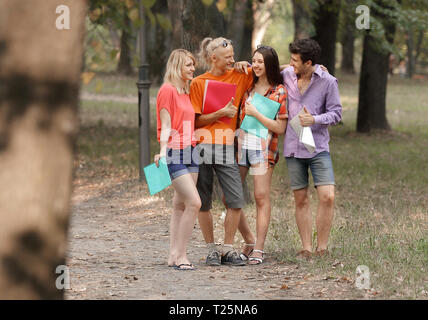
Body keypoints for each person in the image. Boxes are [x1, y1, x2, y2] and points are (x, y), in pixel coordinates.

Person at [190, 37, 255, 266]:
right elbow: (195, 121)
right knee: (203, 201)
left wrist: (313, 66)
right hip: (202, 145)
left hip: (227, 145)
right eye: (227, 57)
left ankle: (227, 249)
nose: (232, 60)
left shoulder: (240, 75)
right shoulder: (198, 82)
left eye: (233, 56)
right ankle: (211, 250)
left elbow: (270, 71)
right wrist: (220, 113)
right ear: (212, 58)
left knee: (236, 199)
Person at [281, 38, 342, 259]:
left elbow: (336, 114)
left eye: (295, 60)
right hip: (293, 148)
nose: (291, 63)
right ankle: (306, 248)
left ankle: (322, 248)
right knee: (301, 198)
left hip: (318, 149)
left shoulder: (328, 82)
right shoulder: (287, 74)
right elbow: (267, 70)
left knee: (327, 196)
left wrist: (314, 119)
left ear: (308, 63)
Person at [235, 45, 288, 265]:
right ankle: (249, 240)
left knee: (260, 197)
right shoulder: (247, 85)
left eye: (260, 62)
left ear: (269, 65)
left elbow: (280, 128)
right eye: (253, 61)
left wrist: (256, 113)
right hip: (241, 147)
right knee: (230, 197)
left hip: (264, 149)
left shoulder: (279, 91)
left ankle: (259, 248)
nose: (255, 65)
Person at [154, 49, 201, 270]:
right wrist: (163, 151)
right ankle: (182, 256)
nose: (193, 69)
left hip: (191, 151)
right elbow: (165, 124)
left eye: (193, 65)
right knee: (194, 202)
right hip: (174, 152)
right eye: (188, 65)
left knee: (180, 204)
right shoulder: (168, 90)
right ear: (176, 66)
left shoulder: (186, 91)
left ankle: (173, 254)